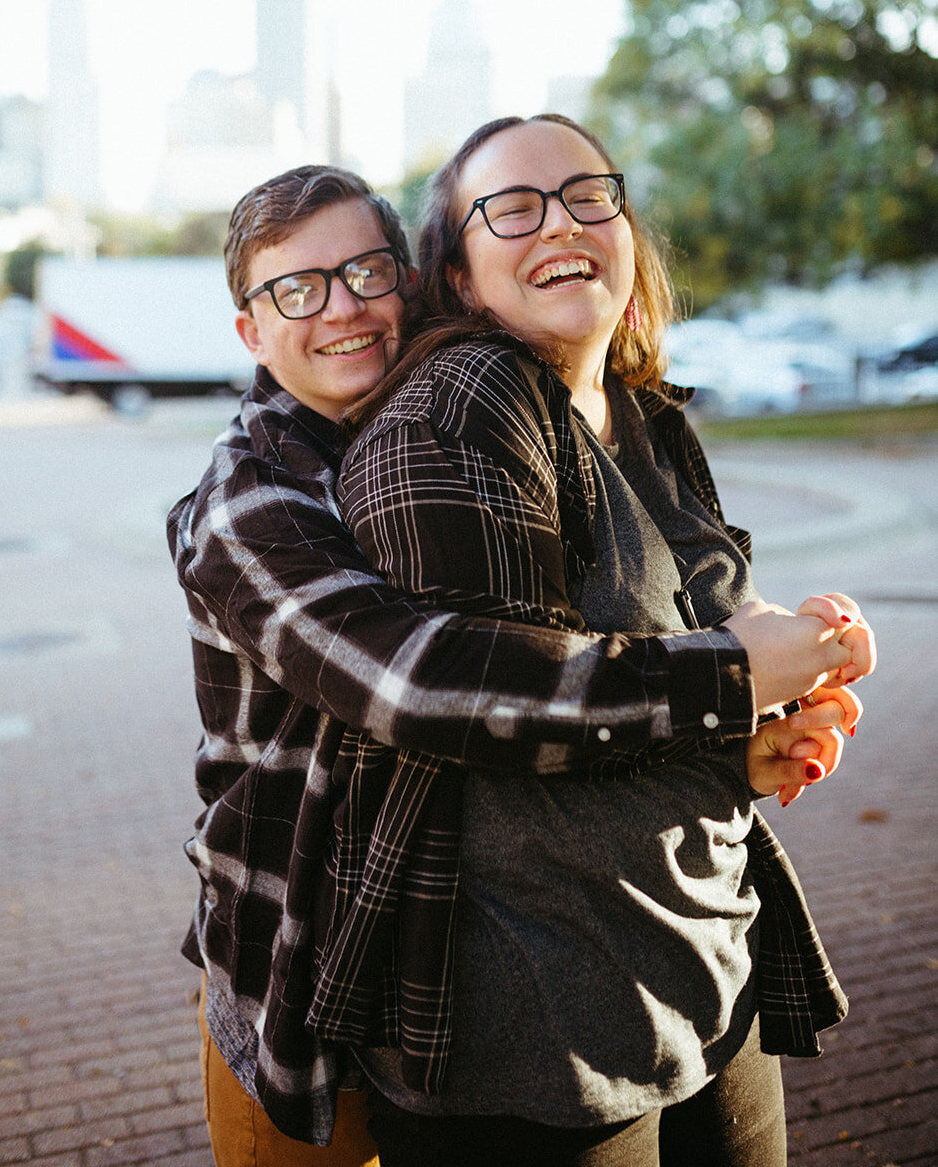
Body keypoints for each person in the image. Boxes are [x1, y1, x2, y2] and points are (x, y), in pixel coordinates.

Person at [169, 162, 869, 1166]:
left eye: (366, 272)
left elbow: (576, 648)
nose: (342, 309)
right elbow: (426, 687)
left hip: (412, 940)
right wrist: (725, 680)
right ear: (250, 329)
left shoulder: (450, 428)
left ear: (410, 282)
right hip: (297, 949)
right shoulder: (250, 503)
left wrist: (735, 740)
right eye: (297, 289)